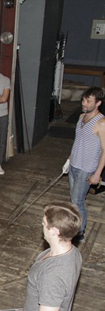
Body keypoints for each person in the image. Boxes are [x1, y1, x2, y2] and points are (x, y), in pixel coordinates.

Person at [61, 86, 105, 241]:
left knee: (77, 201)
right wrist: (69, 159)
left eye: (88, 101)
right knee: (74, 199)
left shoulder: (101, 123)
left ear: (98, 103)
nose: (84, 103)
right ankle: (75, 226)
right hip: (74, 164)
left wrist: (97, 173)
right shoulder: (81, 117)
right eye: (83, 100)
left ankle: (80, 232)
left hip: (86, 169)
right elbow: (78, 141)